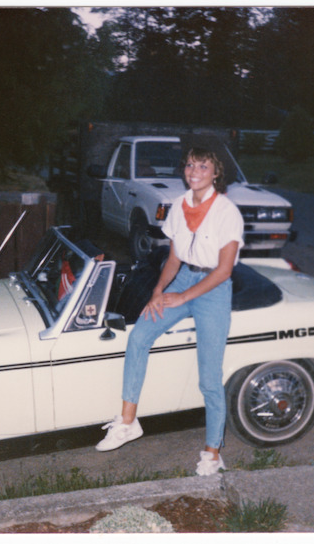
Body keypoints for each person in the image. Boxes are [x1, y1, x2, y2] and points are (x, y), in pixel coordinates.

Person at [95, 147, 244, 476]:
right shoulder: (179, 205)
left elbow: (224, 270)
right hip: (184, 278)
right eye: (190, 164)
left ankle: (213, 451)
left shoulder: (226, 212)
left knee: (209, 379)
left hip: (214, 290)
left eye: (203, 166)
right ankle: (128, 422)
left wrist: (183, 297)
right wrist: (159, 292)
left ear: (216, 172)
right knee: (139, 335)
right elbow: (174, 259)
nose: (194, 171)